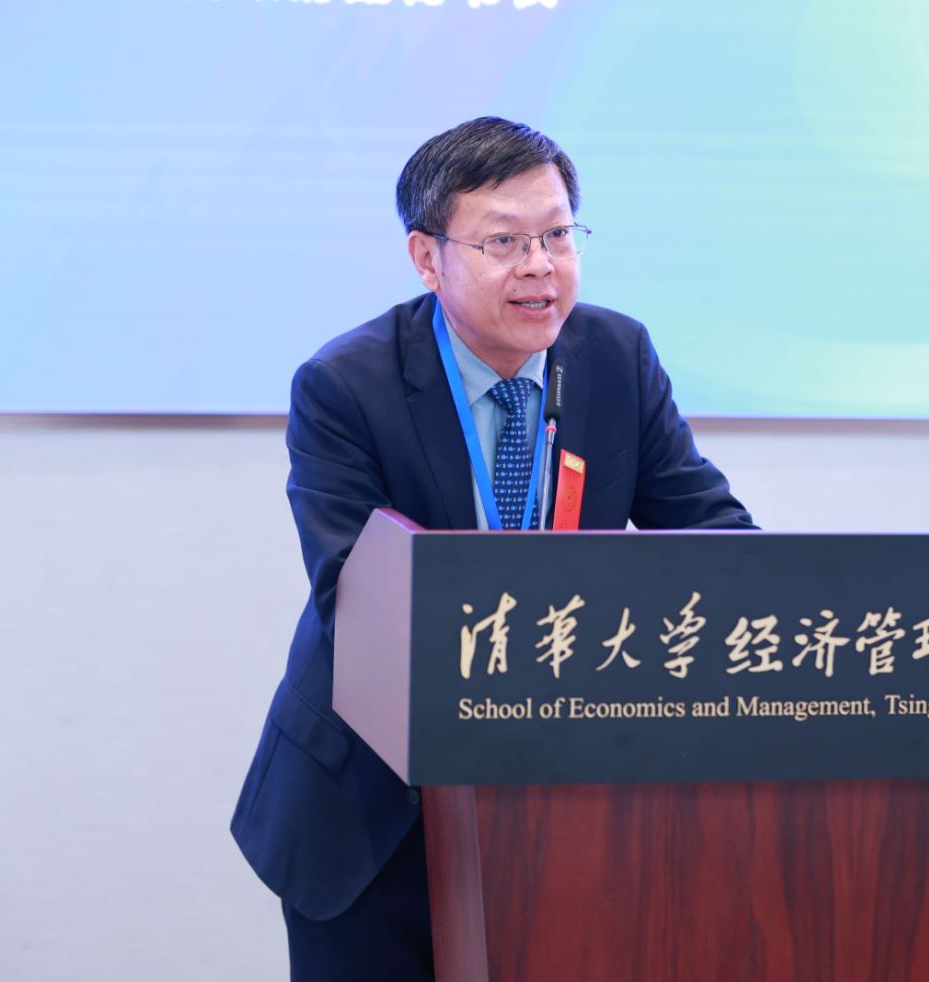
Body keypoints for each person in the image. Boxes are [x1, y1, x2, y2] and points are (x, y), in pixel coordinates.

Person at [230, 116, 755, 982]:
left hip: (567, 804)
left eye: (558, 235)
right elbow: (356, 601)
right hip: (377, 807)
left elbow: (714, 539)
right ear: (427, 258)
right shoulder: (347, 386)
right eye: (504, 241)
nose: (540, 265)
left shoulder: (616, 356)